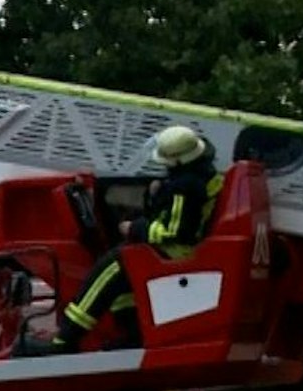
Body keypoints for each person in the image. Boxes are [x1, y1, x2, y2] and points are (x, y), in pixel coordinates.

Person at [22, 124, 223, 355]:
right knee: (123, 276)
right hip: (183, 250)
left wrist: (135, 228)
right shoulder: (200, 177)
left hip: (177, 251)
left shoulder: (186, 187)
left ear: (176, 161)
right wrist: (155, 194)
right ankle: (133, 334)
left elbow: (176, 231)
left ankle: (65, 339)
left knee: (111, 268)